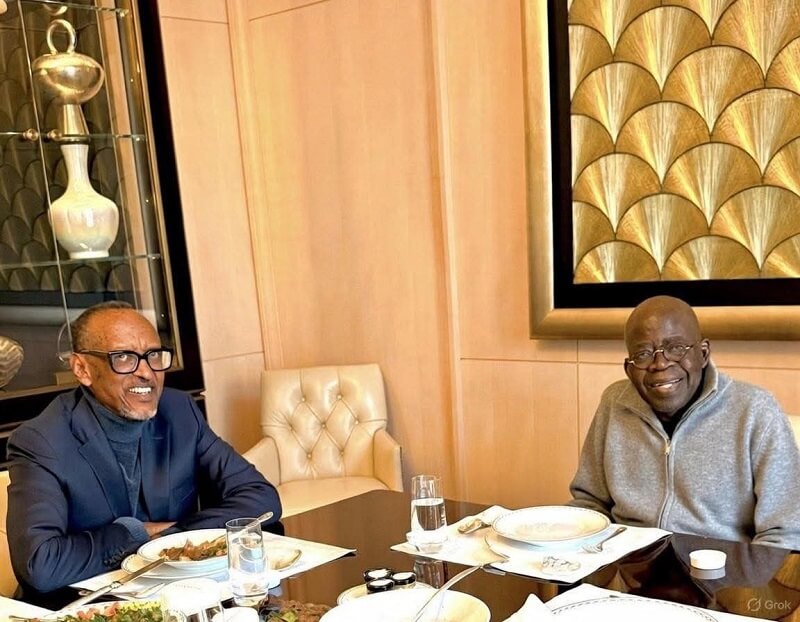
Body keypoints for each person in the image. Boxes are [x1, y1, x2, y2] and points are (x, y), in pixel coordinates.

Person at [7, 301, 282, 600]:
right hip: (87, 606)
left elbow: (261, 498)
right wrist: (134, 533)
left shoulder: (178, 412)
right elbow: (40, 565)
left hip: (181, 595)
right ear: (82, 369)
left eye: (153, 356)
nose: (146, 373)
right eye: (124, 358)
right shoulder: (42, 440)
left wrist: (173, 537)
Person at [570, 295, 800, 549]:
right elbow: (589, 505)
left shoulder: (755, 411)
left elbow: (785, 533)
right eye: (644, 354)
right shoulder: (614, 403)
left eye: (676, 348)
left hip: (723, 577)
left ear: (703, 354)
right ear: (628, 368)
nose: (660, 363)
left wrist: (743, 586)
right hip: (627, 570)